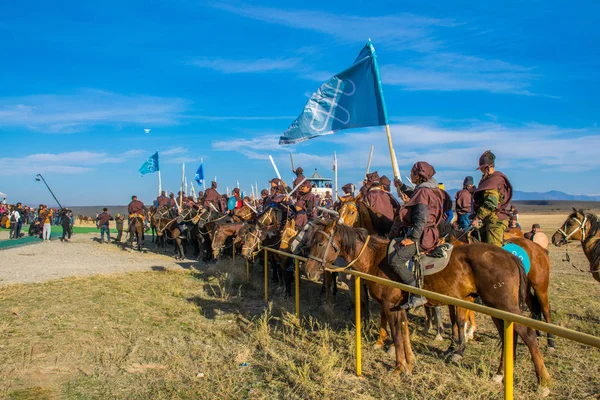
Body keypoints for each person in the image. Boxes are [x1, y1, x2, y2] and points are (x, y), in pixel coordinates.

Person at [388, 162, 445, 309]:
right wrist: (401, 186)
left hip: (423, 235)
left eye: (413, 173)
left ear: (419, 176)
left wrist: (412, 238)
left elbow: (421, 218)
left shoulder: (423, 192)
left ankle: (417, 294)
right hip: (430, 232)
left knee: (396, 260)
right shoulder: (431, 189)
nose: (411, 175)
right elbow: (415, 195)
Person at [472, 150, 513, 247]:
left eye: (482, 168)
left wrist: (477, 218)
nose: (481, 171)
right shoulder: (491, 179)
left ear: (486, 167)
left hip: (495, 221)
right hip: (488, 220)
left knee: (493, 252)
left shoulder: (493, 181)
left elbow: (491, 203)